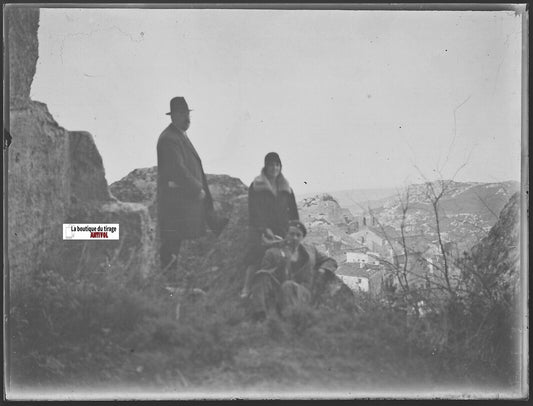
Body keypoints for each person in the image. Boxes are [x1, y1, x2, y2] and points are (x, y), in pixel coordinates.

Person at [157, 96, 228, 284]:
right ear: (172, 117)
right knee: (172, 243)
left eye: (187, 113)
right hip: (176, 203)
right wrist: (197, 188)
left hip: (183, 200)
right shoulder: (169, 138)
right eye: (181, 114)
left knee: (176, 241)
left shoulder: (178, 135)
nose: (186, 118)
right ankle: (168, 285)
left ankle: (170, 282)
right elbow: (177, 169)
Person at [249, 220, 337, 320]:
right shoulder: (273, 251)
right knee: (261, 276)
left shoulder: (311, 251)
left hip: (303, 292)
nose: (294, 238)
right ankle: (260, 314)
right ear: (286, 234)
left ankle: (290, 320)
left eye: (298, 235)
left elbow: (331, 261)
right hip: (279, 288)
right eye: (291, 234)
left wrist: (322, 270)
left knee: (288, 285)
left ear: (302, 237)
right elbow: (266, 273)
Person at [240, 152, 299, 298]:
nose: (274, 168)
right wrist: (264, 228)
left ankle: (278, 291)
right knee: (255, 257)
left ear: (281, 167)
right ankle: (247, 289)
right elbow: (254, 209)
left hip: (281, 229)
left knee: (282, 259)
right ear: (266, 166)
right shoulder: (256, 186)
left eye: (277, 165)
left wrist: (294, 229)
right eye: (271, 165)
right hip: (259, 229)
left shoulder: (286, 187)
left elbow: (293, 211)